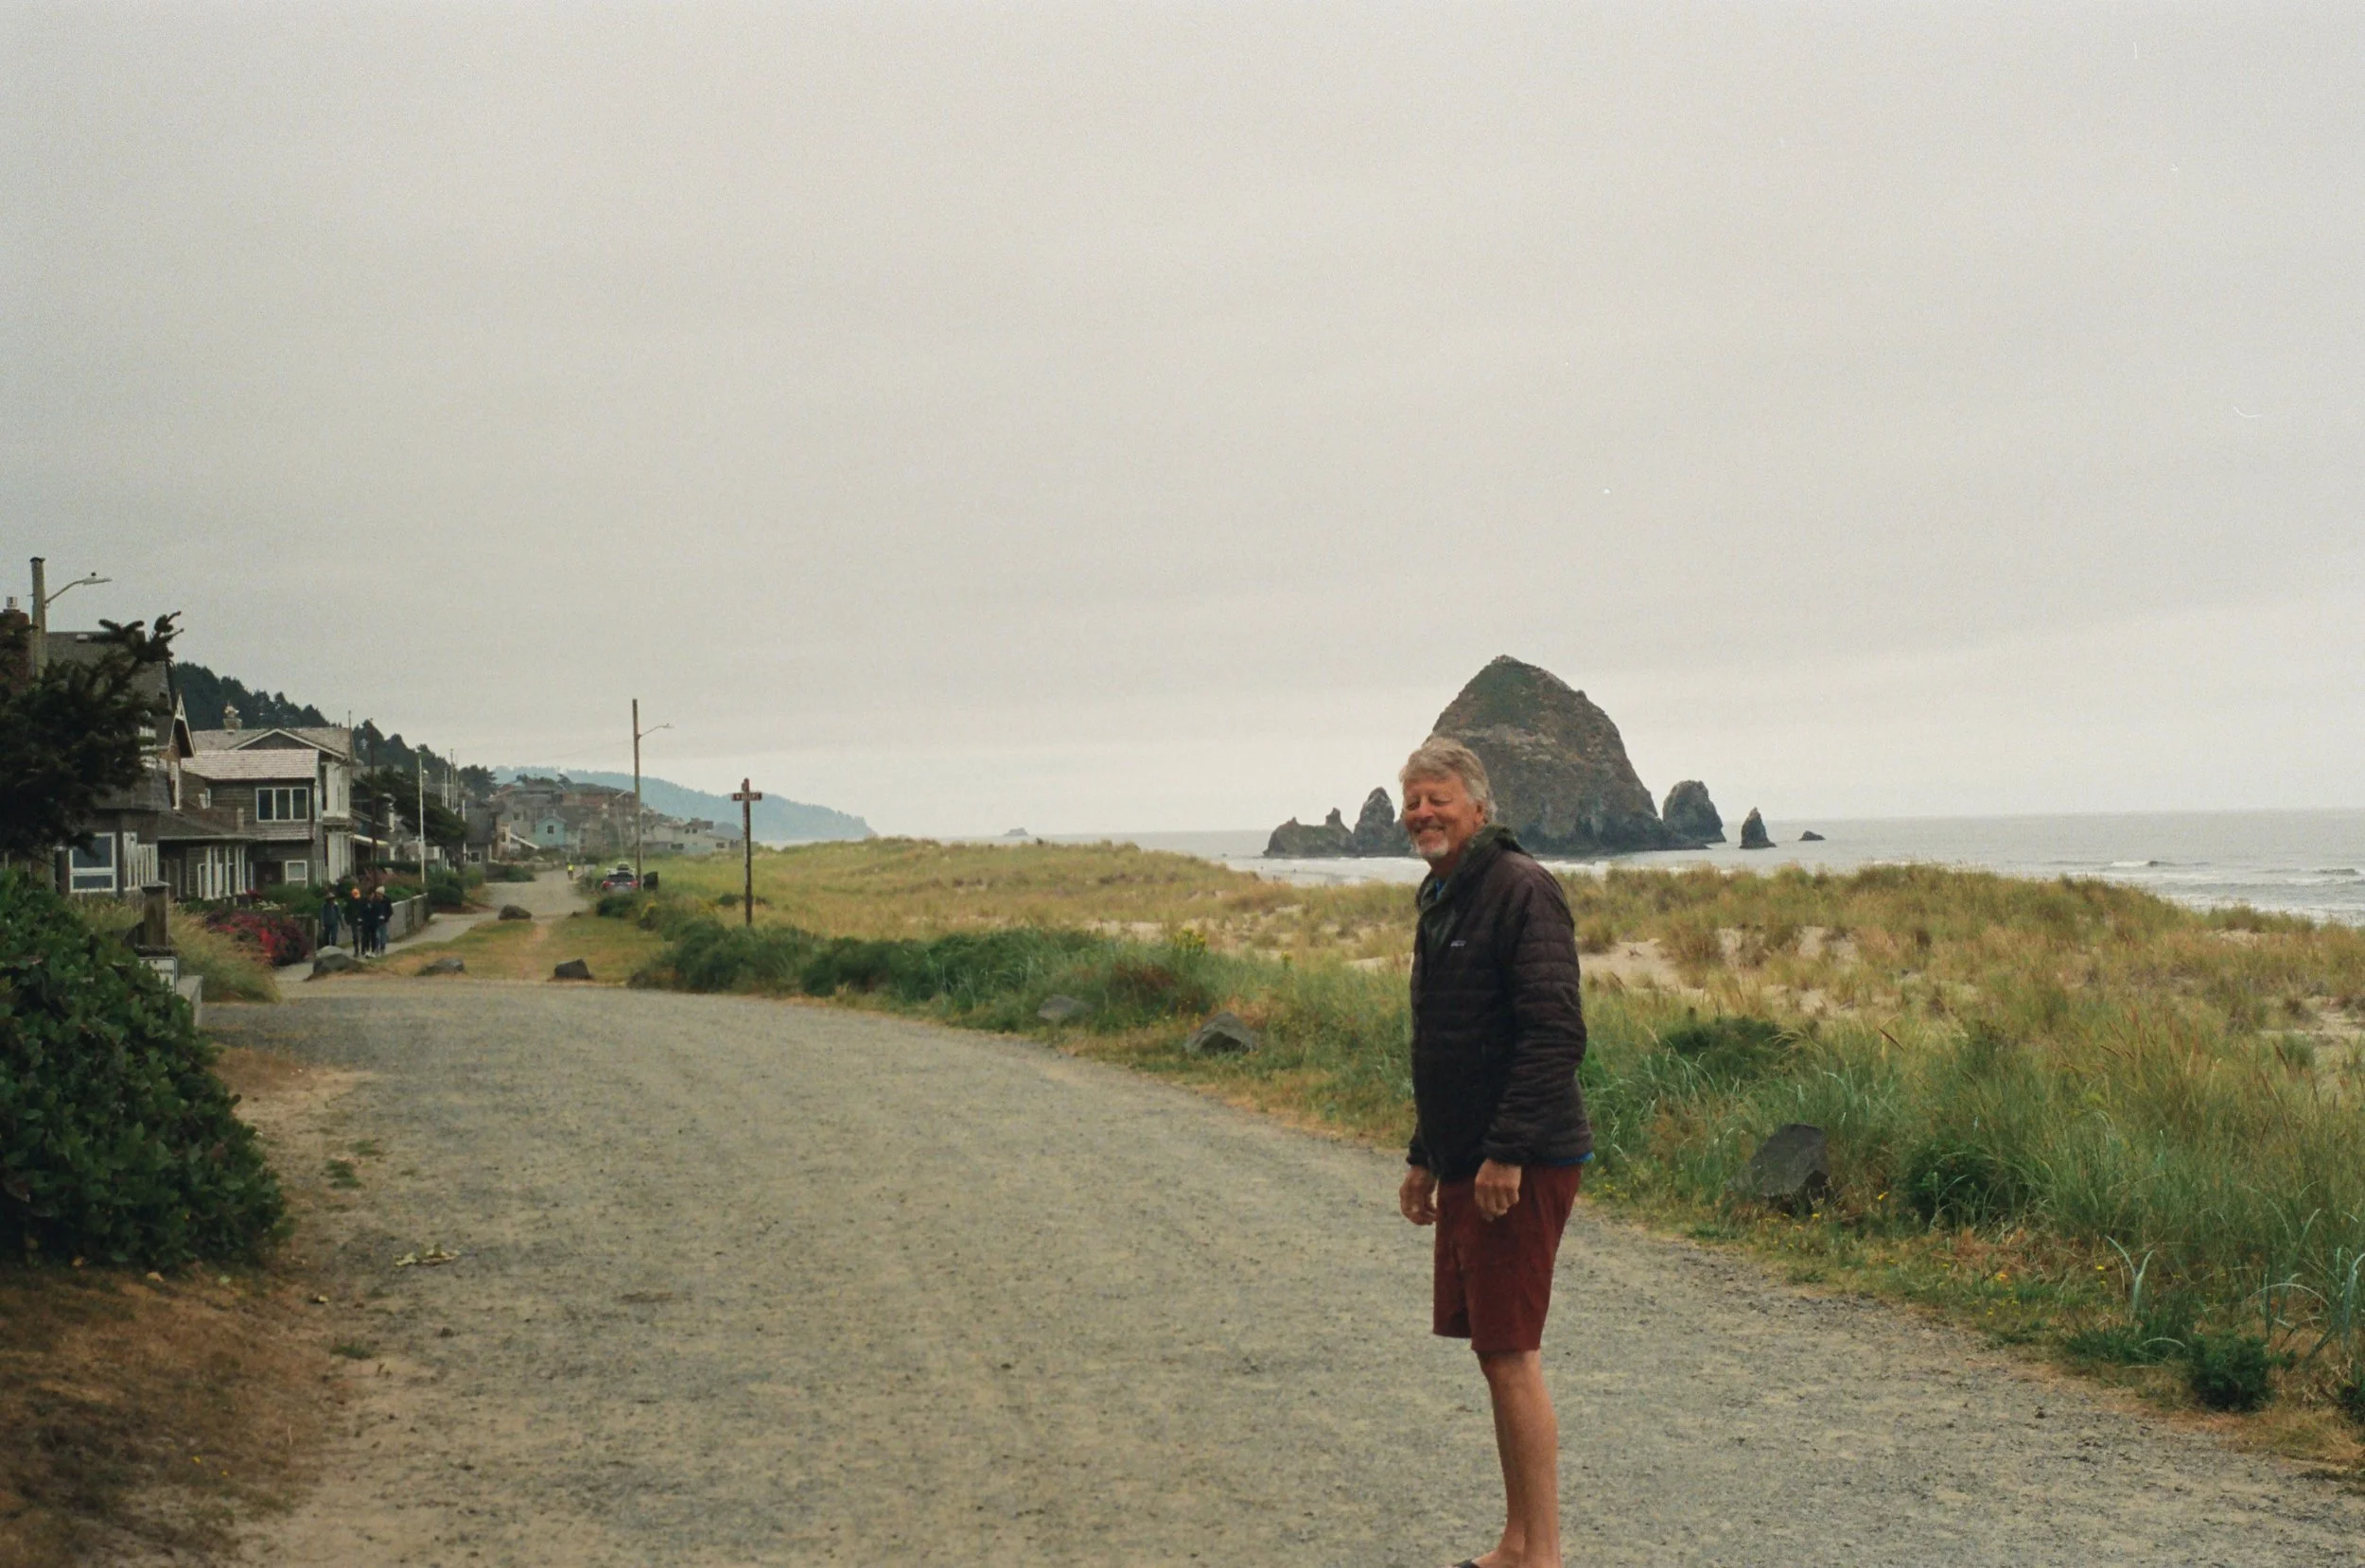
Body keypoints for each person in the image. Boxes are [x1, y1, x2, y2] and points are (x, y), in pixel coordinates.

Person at [1393, 738, 1590, 1568]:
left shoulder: (1520, 891)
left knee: (1512, 1352)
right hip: (1467, 1159)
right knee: (1493, 1352)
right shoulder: (1444, 895)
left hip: (1519, 1162)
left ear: (1479, 806)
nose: (1422, 814)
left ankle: (1540, 1555)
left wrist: (1504, 1153)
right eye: (1411, 801)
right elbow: (1446, 1038)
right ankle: (1516, 1542)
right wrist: (1423, 1152)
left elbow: (1554, 1034)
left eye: (1437, 798)